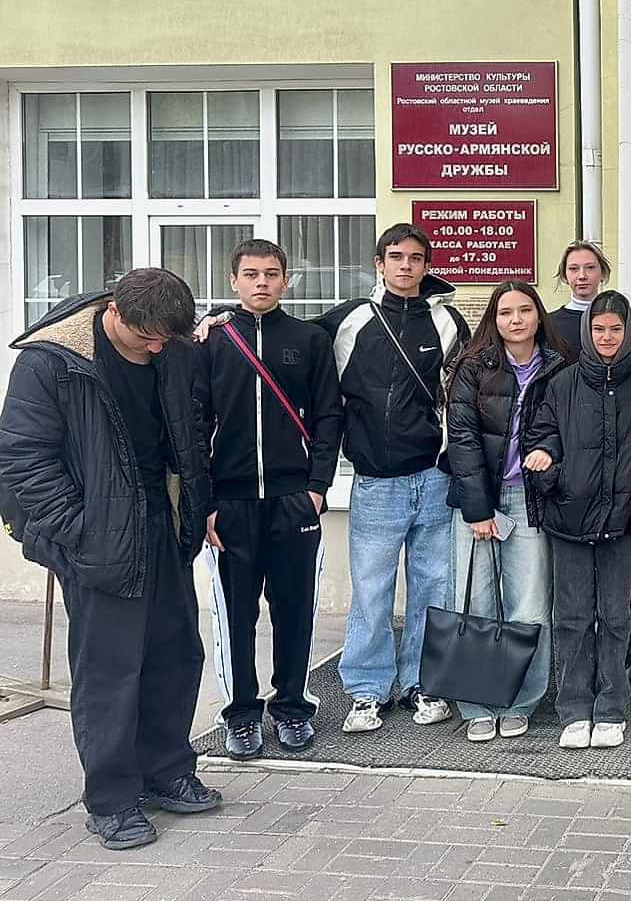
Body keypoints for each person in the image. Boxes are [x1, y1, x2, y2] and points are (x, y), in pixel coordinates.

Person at [0, 270, 221, 850]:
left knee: (175, 654)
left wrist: (197, 505)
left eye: (165, 340)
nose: (157, 349)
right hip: (98, 536)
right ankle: (113, 801)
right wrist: (78, 531)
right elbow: (23, 459)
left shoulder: (170, 348)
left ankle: (167, 771)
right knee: (110, 671)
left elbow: (190, 430)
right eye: (146, 338)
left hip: (164, 522)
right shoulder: (52, 362)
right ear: (115, 312)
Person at [195, 240, 343, 761]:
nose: (262, 282)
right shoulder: (212, 341)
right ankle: (240, 715)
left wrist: (317, 487)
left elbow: (329, 415)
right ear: (233, 280)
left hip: (293, 500)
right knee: (235, 616)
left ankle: (293, 708)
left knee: (295, 611)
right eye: (252, 274)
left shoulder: (309, 339)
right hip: (230, 504)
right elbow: (195, 424)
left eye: (272, 273)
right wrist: (206, 502)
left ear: (286, 280)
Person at [322, 225, 469, 733]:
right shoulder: (350, 319)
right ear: (379, 263)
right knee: (371, 591)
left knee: (434, 588)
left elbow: (470, 388)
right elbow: (284, 346)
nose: (406, 265)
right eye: (396, 256)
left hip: (434, 476)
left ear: (427, 265)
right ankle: (367, 690)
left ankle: (425, 683)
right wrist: (222, 320)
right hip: (375, 481)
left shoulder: (448, 321)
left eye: (415, 258)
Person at [526, 291, 631, 750]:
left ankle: (612, 708)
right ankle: (575, 710)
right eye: (598, 329)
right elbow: (543, 436)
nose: (607, 337)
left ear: (628, 331)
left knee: (615, 618)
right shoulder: (562, 383)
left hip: (621, 524)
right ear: (587, 332)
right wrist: (550, 471)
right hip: (569, 521)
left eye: (616, 329)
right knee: (572, 618)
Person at [444, 281, 573, 743]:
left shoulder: (560, 366)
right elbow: (461, 438)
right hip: (479, 498)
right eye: (505, 312)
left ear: (539, 315)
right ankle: (477, 704)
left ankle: (520, 700)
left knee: (530, 606)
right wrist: (478, 509)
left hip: (530, 498)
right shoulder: (472, 366)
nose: (515, 319)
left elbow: (566, 425)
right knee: (475, 603)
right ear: (493, 320)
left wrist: (549, 450)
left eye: (524, 310)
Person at [548, 240, 612, 355]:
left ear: (602, 273)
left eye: (590, 267)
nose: (582, 276)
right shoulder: (550, 324)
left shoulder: (620, 318)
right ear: (564, 276)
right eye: (574, 269)